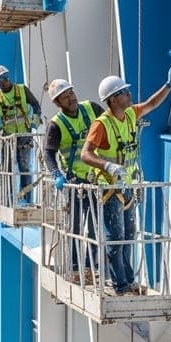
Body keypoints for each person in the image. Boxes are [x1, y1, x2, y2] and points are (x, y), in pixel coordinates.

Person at [80, 65, 171, 295]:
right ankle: (121, 285)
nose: (129, 94)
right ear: (113, 99)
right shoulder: (102, 124)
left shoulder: (130, 114)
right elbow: (86, 153)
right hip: (109, 187)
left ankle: (129, 281)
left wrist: (169, 85)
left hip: (128, 185)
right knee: (115, 237)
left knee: (128, 235)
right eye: (124, 92)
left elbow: (152, 104)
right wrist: (107, 165)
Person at [43, 78, 103, 283]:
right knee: (76, 226)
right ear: (57, 102)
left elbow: (111, 124)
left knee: (96, 225)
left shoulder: (92, 109)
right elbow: (48, 153)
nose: (71, 98)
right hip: (74, 182)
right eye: (65, 96)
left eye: (71, 92)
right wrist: (56, 174)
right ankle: (77, 269)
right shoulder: (56, 125)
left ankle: (92, 266)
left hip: (97, 179)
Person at [0, 64, 43, 204]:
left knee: (25, 167)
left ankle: (27, 198)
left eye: (6, 77)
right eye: (1, 80)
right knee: (8, 168)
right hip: (8, 137)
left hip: (24, 135)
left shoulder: (22, 89)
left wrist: (36, 119)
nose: (5, 81)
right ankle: (9, 199)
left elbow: (36, 105)